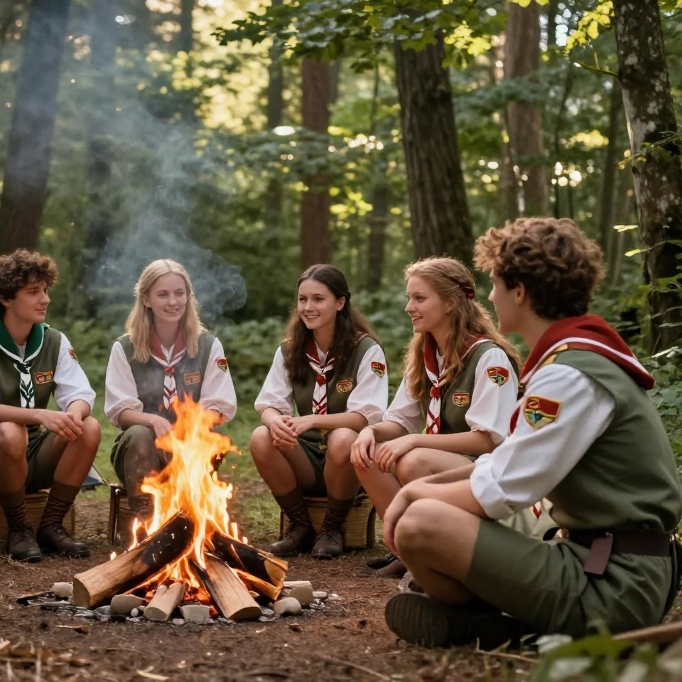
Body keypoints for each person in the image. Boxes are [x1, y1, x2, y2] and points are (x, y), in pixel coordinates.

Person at [382, 218, 682, 648]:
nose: (488, 295)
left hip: (616, 585)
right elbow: (503, 465)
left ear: (519, 291)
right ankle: (495, 622)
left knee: (421, 523)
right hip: (598, 562)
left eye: (495, 283)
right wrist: (422, 487)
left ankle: (488, 623)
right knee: (423, 510)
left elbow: (503, 489)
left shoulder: (570, 376)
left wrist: (412, 496)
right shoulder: (572, 360)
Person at [351, 257, 521, 577]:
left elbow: (488, 440)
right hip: (444, 461)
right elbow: (400, 421)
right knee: (367, 455)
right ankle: (405, 549)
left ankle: (441, 548)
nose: (409, 307)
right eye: (409, 298)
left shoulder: (489, 357)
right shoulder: (425, 353)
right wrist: (370, 433)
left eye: (419, 298)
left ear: (450, 303)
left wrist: (415, 440)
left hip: (490, 470)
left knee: (413, 459)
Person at [0, 249, 100, 562]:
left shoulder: (53, 340)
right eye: (33, 292)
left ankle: (50, 525)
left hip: (38, 455)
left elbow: (81, 393)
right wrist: (38, 415)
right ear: (6, 298)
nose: (45, 299)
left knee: (87, 426)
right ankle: (19, 529)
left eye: (45, 290)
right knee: (10, 430)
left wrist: (72, 414)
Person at [252, 264, 389, 558]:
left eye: (318, 299)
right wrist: (276, 422)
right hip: (305, 457)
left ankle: (332, 527)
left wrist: (312, 419)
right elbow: (268, 404)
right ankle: (300, 526)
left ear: (340, 303)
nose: (308, 307)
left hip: (347, 461)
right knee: (261, 437)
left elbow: (367, 417)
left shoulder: (366, 350)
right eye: (303, 300)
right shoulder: (290, 350)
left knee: (342, 438)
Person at [105, 259, 237, 525]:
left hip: (192, 446)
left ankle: (193, 519)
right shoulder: (125, 348)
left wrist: (189, 428)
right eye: (162, 294)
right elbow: (120, 411)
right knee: (140, 434)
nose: (173, 301)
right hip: (140, 453)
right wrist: (153, 420)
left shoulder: (208, 345)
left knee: (209, 435)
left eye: (179, 293)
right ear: (146, 299)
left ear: (189, 296)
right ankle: (146, 521)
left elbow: (220, 406)